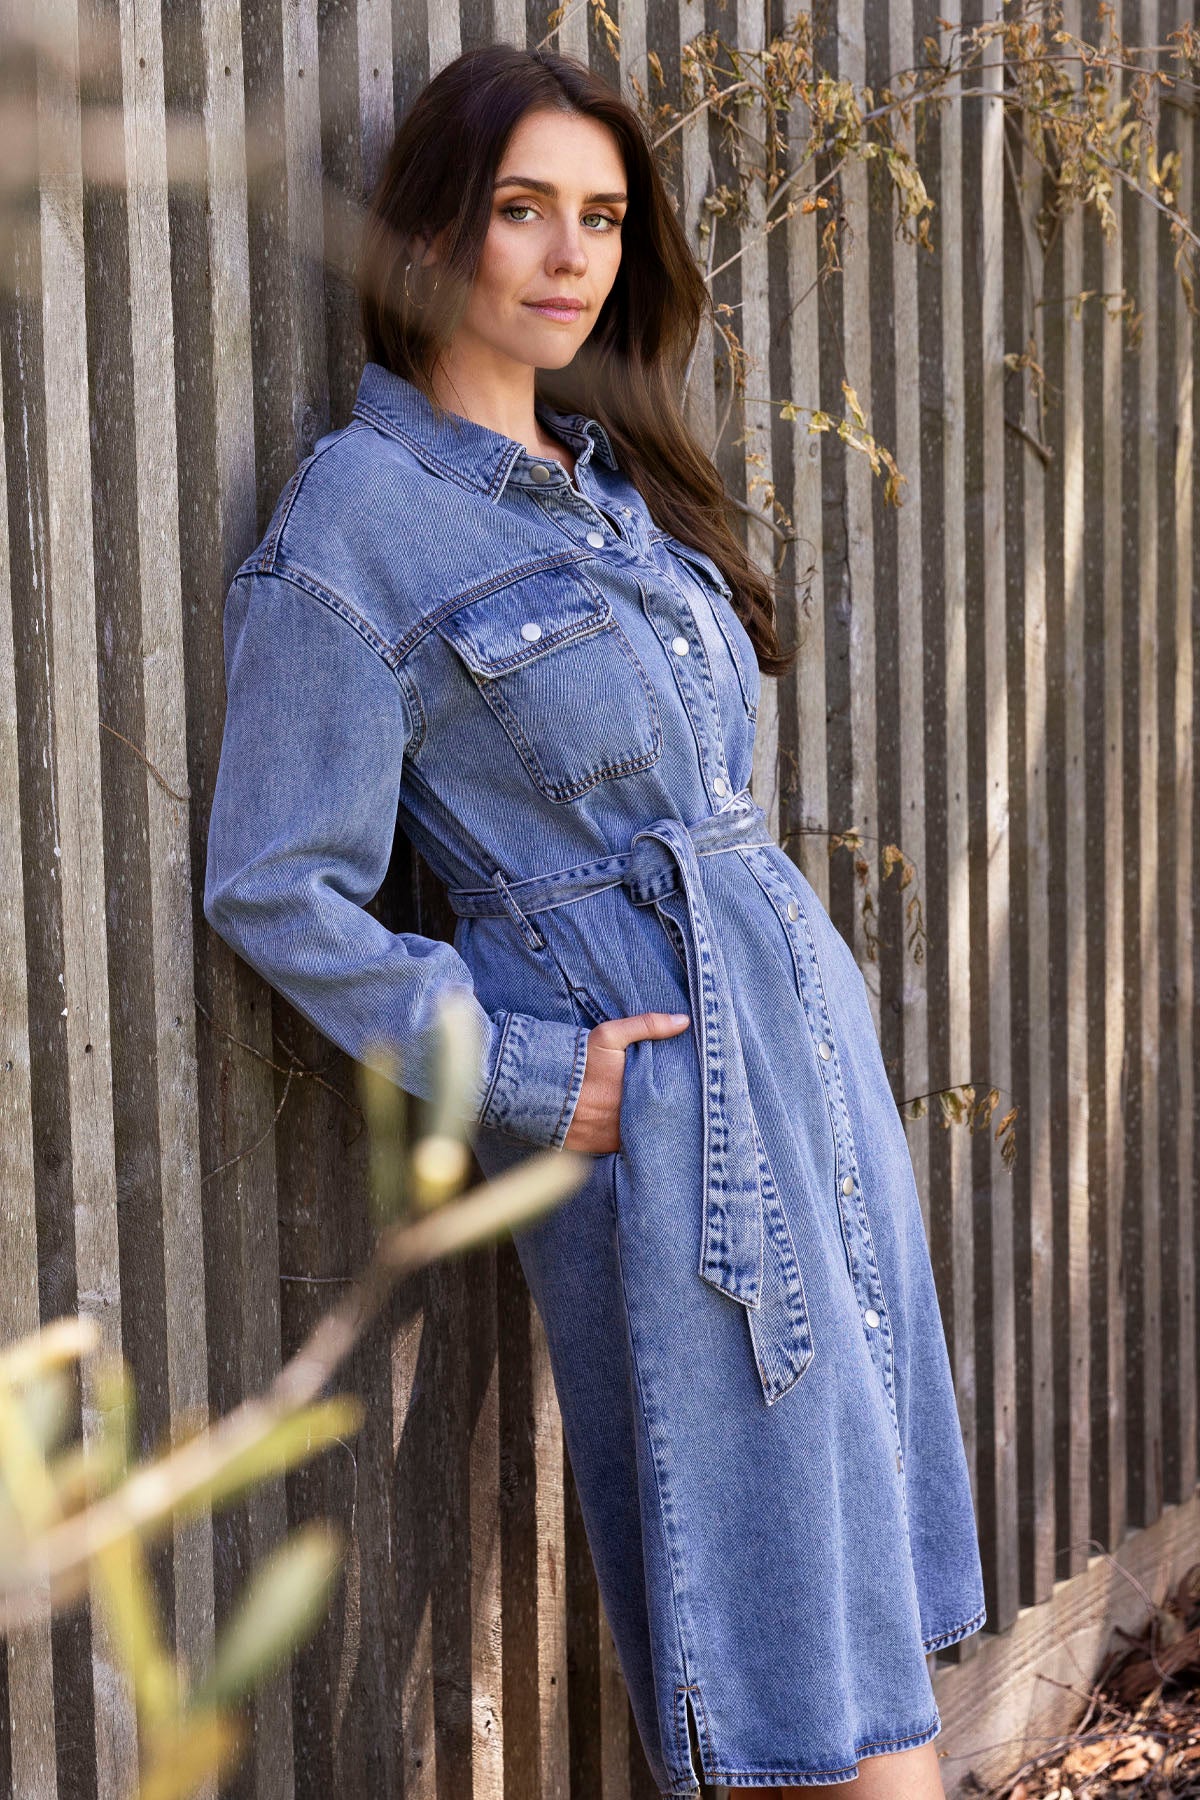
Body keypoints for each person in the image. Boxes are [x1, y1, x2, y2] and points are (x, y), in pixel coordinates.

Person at [202, 41, 986, 1799]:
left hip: (803, 1081)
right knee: (790, 1655)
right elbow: (274, 883)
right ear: (431, 240)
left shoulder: (612, 475)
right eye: (524, 211)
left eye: (605, 218)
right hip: (669, 1128)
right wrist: (544, 1083)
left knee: (862, 1636)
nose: (570, 255)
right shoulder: (357, 528)